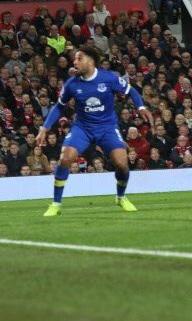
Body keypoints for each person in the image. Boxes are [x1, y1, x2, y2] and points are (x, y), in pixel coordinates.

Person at [36, 45, 153, 216]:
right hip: (82, 127)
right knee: (65, 158)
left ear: (90, 61)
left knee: (122, 163)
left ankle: (121, 197)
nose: (74, 62)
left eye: (79, 58)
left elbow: (131, 91)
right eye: (74, 59)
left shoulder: (109, 78)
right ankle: (56, 204)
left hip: (107, 127)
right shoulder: (72, 84)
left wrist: (141, 106)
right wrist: (44, 128)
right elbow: (59, 106)